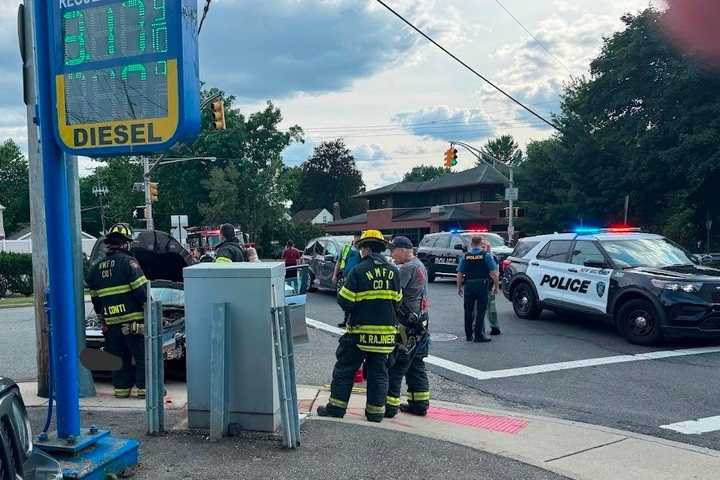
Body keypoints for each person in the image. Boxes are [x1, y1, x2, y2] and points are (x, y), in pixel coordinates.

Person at [317, 230, 402, 423]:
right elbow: (398, 301)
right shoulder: (394, 271)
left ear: (365, 248)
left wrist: (342, 289)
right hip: (386, 335)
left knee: (345, 370)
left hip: (360, 333)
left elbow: (346, 301)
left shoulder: (359, 270)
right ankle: (375, 413)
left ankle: (336, 409)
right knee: (378, 373)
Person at [86, 223, 148, 398]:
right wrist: (152, 311)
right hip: (133, 324)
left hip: (111, 326)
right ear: (126, 243)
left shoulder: (96, 269)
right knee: (143, 357)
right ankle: (144, 390)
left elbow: (96, 300)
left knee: (118, 360)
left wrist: (103, 320)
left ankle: (121, 391)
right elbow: (141, 291)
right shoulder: (130, 263)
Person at [385, 236, 431, 418]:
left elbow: (394, 293)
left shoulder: (407, 268)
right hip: (421, 322)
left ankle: (389, 406)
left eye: (393, 250)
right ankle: (419, 404)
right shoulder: (420, 265)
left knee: (396, 365)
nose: (391, 254)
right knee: (416, 365)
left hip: (407, 326)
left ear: (404, 250)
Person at [457, 236, 499, 343]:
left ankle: (468, 335)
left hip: (469, 285)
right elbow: (494, 273)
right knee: (480, 311)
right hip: (482, 285)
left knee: (468, 311)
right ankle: (479, 335)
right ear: (481, 244)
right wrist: (496, 287)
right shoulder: (486, 255)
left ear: (471, 244)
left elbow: (460, 273)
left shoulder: (466, 256)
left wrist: (459, 287)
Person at [333, 233, 362, 327]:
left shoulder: (362, 249)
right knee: (346, 299)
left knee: (355, 300)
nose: (358, 239)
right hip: (345, 277)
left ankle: (351, 320)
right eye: (357, 237)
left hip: (357, 278)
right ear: (354, 237)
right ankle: (345, 320)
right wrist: (334, 275)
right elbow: (339, 261)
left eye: (360, 237)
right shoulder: (346, 248)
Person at [483, 239, 501, 336]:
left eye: (484, 246)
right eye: (481, 246)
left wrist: (495, 286)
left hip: (489, 285)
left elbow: (496, 273)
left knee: (491, 309)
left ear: (488, 247)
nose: (482, 248)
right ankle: (476, 328)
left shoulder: (492, 257)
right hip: (480, 285)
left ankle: (494, 327)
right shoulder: (476, 256)